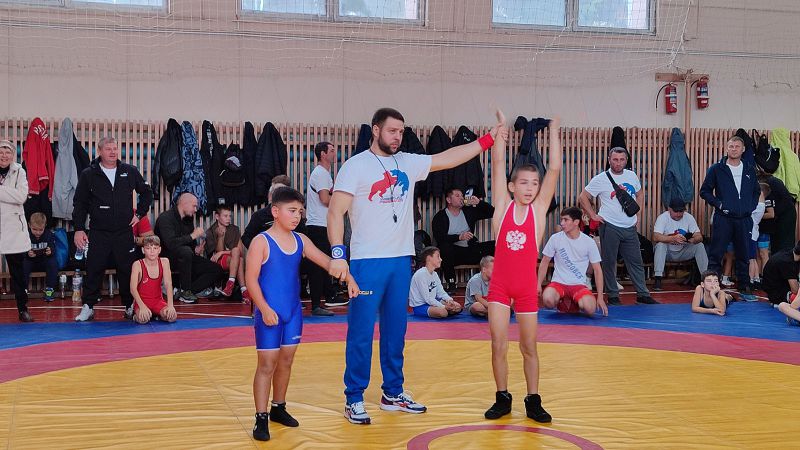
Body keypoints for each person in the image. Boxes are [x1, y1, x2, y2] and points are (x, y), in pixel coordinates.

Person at [327, 107, 504, 425]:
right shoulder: (355, 166)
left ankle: (392, 393)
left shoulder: (407, 162)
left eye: (401, 131)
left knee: (396, 330)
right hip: (367, 261)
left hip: (400, 260)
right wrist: (339, 254)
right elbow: (334, 211)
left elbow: (449, 157)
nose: (397, 136)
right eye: (392, 131)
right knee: (362, 332)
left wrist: (487, 140)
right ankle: (353, 398)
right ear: (375, 130)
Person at [246, 187, 358, 441]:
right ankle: (261, 417)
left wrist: (349, 277)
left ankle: (278, 407)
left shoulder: (301, 240)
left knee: (286, 361)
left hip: (293, 312)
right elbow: (251, 280)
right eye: (292, 211)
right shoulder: (261, 242)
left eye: (300, 211)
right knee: (267, 364)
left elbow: (328, 263)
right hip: (269, 312)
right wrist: (264, 308)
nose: (297, 216)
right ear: (276, 211)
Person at [482, 112, 560, 424]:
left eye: (535, 184)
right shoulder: (502, 206)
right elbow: (498, 163)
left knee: (529, 347)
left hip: (526, 289)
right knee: (498, 345)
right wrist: (501, 130)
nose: (530, 188)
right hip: (500, 288)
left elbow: (554, 169)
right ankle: (502, 397)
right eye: (524, 183)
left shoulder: (538, 211)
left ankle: (533, 400)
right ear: (512, 186)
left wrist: (555, 131)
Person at [73, 136, 153, 322]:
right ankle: (88, 306)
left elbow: (147, 193)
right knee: (94, 268)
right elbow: (80, 203)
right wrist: (79, 229)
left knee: (127, 270)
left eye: (115, 148)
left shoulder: (129, 171)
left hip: (124, 232)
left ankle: (129, 306)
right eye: (108, 149)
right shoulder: (89, 174)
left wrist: (140, 214)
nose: (113, 152)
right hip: (99, 231)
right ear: (100, 151)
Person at [579, 147, 658, 306]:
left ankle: (642, 294)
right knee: (609, 262)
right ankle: (613, 295)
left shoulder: (632, 175)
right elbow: (583, 197)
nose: (618, 163)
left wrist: (638, 215)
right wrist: (593, 215)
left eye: (622, 160)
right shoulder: (601, 179)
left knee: (636, 261)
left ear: (626, 160)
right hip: (609, 225)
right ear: (609, 160)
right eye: (615, 159)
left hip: (629, 227)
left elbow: (640, 194)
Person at [700, 136, 761, 300]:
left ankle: (745, 287)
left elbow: (756, 191)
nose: (734, 149)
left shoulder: (749, 169)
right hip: (723, 218)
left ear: (743, 149)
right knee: (716, 254)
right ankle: (711, 289)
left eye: (737, 146)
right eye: (731, 146)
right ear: (727, 148)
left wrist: (751, 206)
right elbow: (704, 191)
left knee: (744, 255)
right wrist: (719, 204)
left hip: (744, 219)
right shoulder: (716, 169)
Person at [154, 192, 225, 303]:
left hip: (186, 257)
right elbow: (170, 244)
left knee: (216, 270)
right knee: (185, 251)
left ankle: (184, 291)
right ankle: (185, 291)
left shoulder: (188, 219)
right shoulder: (165, 218)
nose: (196, 210)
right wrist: (193, 236)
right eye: (194, 206)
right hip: (166, 259)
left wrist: (195, 249)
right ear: (184, 203)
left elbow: (189, 244)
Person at [538, 207, 606, 316]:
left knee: (590, 309)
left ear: (576, 222)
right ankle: (562, 301)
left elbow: (597, 270)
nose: (562, 223)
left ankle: (573, 302)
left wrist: (600, 297)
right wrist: (538, 284)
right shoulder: (555, 238)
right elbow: (545, 261)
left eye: (565, 220)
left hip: (578, 285)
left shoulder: (588, 242)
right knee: (548, 300)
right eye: (561, 219)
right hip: (558, 283)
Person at [431, 187, 495, 292]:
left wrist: (479, 203)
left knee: (496, 245)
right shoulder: (440, 217)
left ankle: (499, 282)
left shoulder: (469, 212)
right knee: (444, 247)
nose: (461, 198)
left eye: (462, 196)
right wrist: (459, 237)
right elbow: (440, 238)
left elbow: (493, 213)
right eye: (457, 196)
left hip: (471, 250)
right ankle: (451, 283)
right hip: (454, 255)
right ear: (449, 200)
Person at [0, 140, 34, 322]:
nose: (4, 156)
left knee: (18, 273)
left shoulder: (19, 171)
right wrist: (9, 193)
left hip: (13, 228)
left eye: (7, 152)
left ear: (13, 155)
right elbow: (15, 195)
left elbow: (21, 197)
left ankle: (23, 309)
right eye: (1, 152)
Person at [305, 142, 339, 316]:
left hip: (321, 224)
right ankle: (317, 304)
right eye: (332, 150)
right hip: (318, 226)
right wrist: (342, 201)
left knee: (325, 263)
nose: (335, 153)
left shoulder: (323, 173)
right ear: (323, 154)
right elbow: (325, 199)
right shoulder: (321, 173)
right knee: (318, 266)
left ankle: (327, 297)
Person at [651, 199, 708, 291]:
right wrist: (673, 238)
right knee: (660, 245)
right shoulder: (662, 218)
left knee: (699, 245)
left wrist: (693, 240)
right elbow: (655, 237)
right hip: (667, 253)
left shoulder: (689, 217)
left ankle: (706, 279)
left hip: (683, 251)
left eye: (681, 211)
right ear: (669, 209)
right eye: (676, 211)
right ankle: (658, 278)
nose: (678, 214)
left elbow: (699, 237)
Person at [205, 204, 250, 302]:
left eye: (230, 216)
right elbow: (216, 253)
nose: (228, 218)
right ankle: (243, 289)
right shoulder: (210, 231)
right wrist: (220, 237)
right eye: (225, 216)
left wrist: (222, 252)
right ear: (217, 217)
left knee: (238, 255)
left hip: (233, 258)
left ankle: (231, 284)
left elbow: (240, 251)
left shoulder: (234, 229)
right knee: (238, 257)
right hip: (217, 262)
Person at [129, 236, 177, 324]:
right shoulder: (137, 265)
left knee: (172, 317)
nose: (152, 251)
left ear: (159, 250)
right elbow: (133, 289)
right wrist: (142, 307)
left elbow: (168, 284)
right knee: (143, 319)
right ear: (143, 250)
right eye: (148, 248)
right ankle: (135, 316)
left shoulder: (164, 262)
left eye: (155, 248)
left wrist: (170, 305)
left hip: (158, 302)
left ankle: (157, 314)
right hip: (142, 302)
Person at [408, 246, 462, 318]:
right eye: (438, 257)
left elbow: (441, 292)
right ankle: (445, 311)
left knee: (457, 306)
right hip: (420, 306)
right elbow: (427, 298)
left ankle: (446, 310)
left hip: (432, 302)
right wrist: (444, 307)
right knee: (443, 312)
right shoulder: (421, 274)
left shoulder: (434, 274)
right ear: (429, 258)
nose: (441, 259)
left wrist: (449, 300)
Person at [242, 175, 292, 249]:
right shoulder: (259, 215)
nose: (275, 194)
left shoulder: (293, 215)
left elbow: (302, 236)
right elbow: (246, 237)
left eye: (281, 192)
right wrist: (259, 250)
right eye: (273, 191)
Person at [23, 212, 59, 302]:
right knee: (24, 263)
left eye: (40, 230)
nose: (38, 232)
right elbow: (20, 251)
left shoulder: (49, 234)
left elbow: (53, 248)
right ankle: (23, 290)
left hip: (44, 261)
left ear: (45, 226)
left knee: (53, 262)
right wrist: (27, 254)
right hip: (30, 261)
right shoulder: (25, 235)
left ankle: (49, 289)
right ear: (29, 225)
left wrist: (50, 251)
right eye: (34, 229)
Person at [761, 241, 800, 306]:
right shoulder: (787, 262)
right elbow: (795, 290)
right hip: (777, 294)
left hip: (777, 286)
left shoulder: (790, 253)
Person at [748, 183, 770, 290]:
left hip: (751, 234)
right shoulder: (760, 206)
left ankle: (751, 280)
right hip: (753, 233)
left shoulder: (759, 206)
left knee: (751, 259)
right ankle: (756, 278)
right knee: (753, 258)